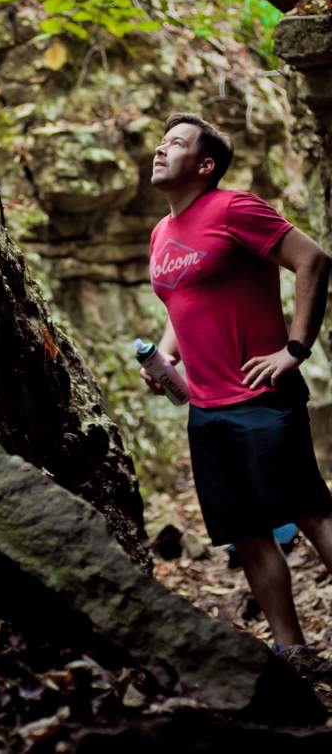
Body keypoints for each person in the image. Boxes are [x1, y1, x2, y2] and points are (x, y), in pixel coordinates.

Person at [141, 111, 332, 653]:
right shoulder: (161, 232)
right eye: (161, 141)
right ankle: (292, 652)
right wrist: (165, 359)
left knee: (311, 513)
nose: (160, 149)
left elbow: (313, 260)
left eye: (174, 143)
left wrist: (293, 350)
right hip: (206, 409)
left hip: (262, 398)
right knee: (248, 534)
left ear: (204, 165)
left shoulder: (234, 208)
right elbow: (182, 301)